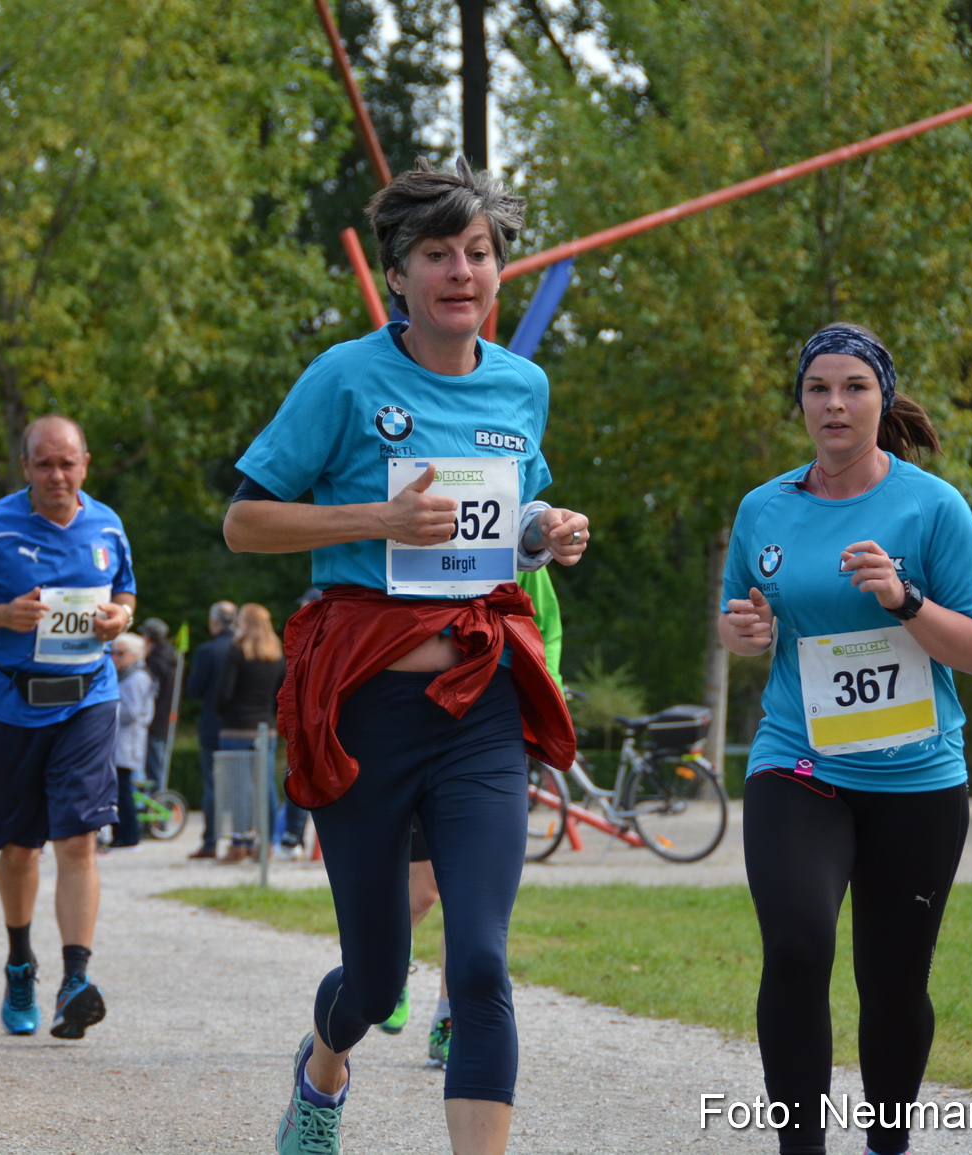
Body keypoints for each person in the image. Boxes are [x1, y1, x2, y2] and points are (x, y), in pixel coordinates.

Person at [223, 157, 589, 1155]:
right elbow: (244, 525)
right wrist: (376, 517)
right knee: (377, 979)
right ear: (398, 274)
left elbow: (513, 513)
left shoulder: (523, 385)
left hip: (480, 709)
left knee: (478, 963)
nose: (460, 271)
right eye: (437, 254)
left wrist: (549, 528)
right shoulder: (343, 378)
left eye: (478, 252)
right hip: (364, 712)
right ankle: (322, 1066)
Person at [719, 323, 972, 1155]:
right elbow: (746, 628)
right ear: (800, 399)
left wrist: (906, 600)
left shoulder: (931, 506)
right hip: (798, 762)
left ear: (883, 399)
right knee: (799, 947)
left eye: (854, 388)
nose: (834, 404)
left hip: (917, 778)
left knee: (892, 982)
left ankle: (887, 1142)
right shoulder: (763, 508)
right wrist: (744, 631)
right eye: (818, 388)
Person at [0, 414, 135, 1040]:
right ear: (24, 467)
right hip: (12, 705)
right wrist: (1, 613)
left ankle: (75, 980)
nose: (57, 475)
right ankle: (20, 963)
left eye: (67, 463)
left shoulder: (106, 524)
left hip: (88, 698)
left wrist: (118, 620)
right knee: (19, 846)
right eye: (44, 464)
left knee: (77, 839)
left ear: (85, 464)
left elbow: (127, 592)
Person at [389, 565, 566, 1067]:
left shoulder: (516, 542)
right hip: (416, 723)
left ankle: (449, 1018)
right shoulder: (410, 526)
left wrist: (538, 688)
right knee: (423, 890)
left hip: (489, 732)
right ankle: (389, 965)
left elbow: (545, 628)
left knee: (471, 909)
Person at [213, 603, 285, 863]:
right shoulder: (277, 654)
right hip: (264, 729)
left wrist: (219, 710)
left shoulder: (237, 651)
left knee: (237, 788)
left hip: (235, 728)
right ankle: (266, 845)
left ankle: (239, 845)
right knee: (265, 787)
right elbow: (282, 694)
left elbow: (224, 693)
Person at [183, 600, 235, 859]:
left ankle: (211, 842)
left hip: (213, 725)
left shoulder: (207, 651)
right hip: (245, 725)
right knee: (243, 785)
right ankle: (243, 841)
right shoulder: (248, 647)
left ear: (214, 622)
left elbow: (194, 690)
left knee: (212, 786)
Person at [107, 632, 154, 851]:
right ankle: (122, 834)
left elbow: (131, 712)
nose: (115, 657)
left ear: (135, 655)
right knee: (119, 789)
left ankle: (129, 835)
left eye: (121, 653)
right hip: (120, 741)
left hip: (127, 742)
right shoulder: (125, 675)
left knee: (123, 789)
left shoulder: (136, 678)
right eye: (113, 653)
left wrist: (106, 708)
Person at [139, 618, 179, 791]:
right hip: (167, 718)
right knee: (158, 766)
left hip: (153, 721)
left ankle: (156, 808)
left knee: (153, 769)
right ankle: (158, 806)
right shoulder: (172, 657)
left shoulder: (153, 662)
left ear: (147, 637)